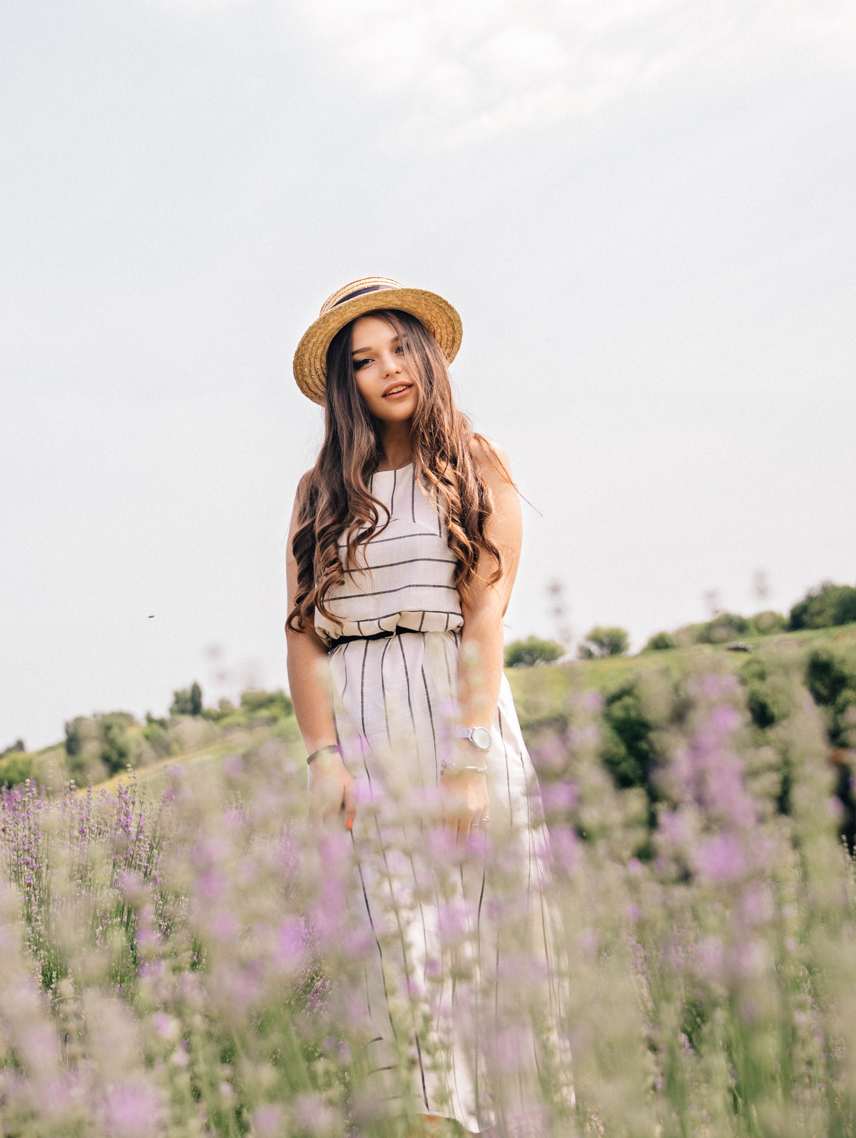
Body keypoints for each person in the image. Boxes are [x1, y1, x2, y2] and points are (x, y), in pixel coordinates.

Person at [284, 277, 566, 1134]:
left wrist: (469, 758)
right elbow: (302, 632)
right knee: (399, 959)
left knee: (496, 942)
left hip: (456, 711)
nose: (387, 369)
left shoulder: (476, 463)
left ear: (428, 352)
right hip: (363, 722)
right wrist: (323, 755)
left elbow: (485, 614)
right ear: (347, 385)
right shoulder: (320, 488)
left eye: (398, 347)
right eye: (363, 361)